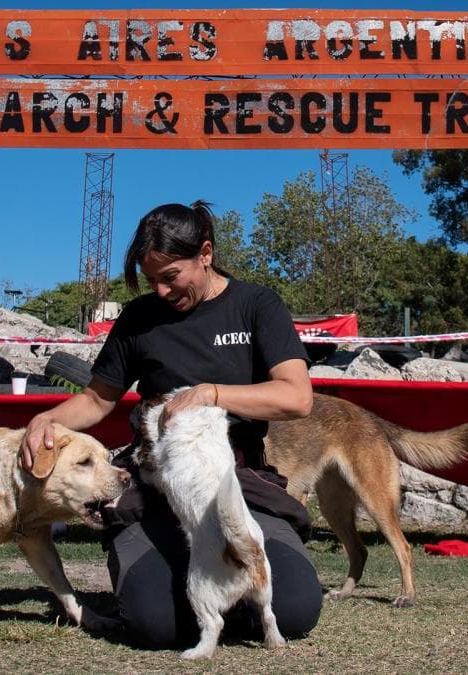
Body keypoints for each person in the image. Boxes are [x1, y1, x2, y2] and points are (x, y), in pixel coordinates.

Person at [21, 200, 322, 647]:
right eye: (151, 281)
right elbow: (97, 399)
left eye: (170, 277)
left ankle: (224, 596)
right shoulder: (140, 318)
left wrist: (211, 392)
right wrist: (47, 418)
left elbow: (297, 396)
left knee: (295, 610)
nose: (161, 291)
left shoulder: (257, 305)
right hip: (159, 483)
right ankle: (192, 589)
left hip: (234, 479)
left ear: (205, 253)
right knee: (154, 624)